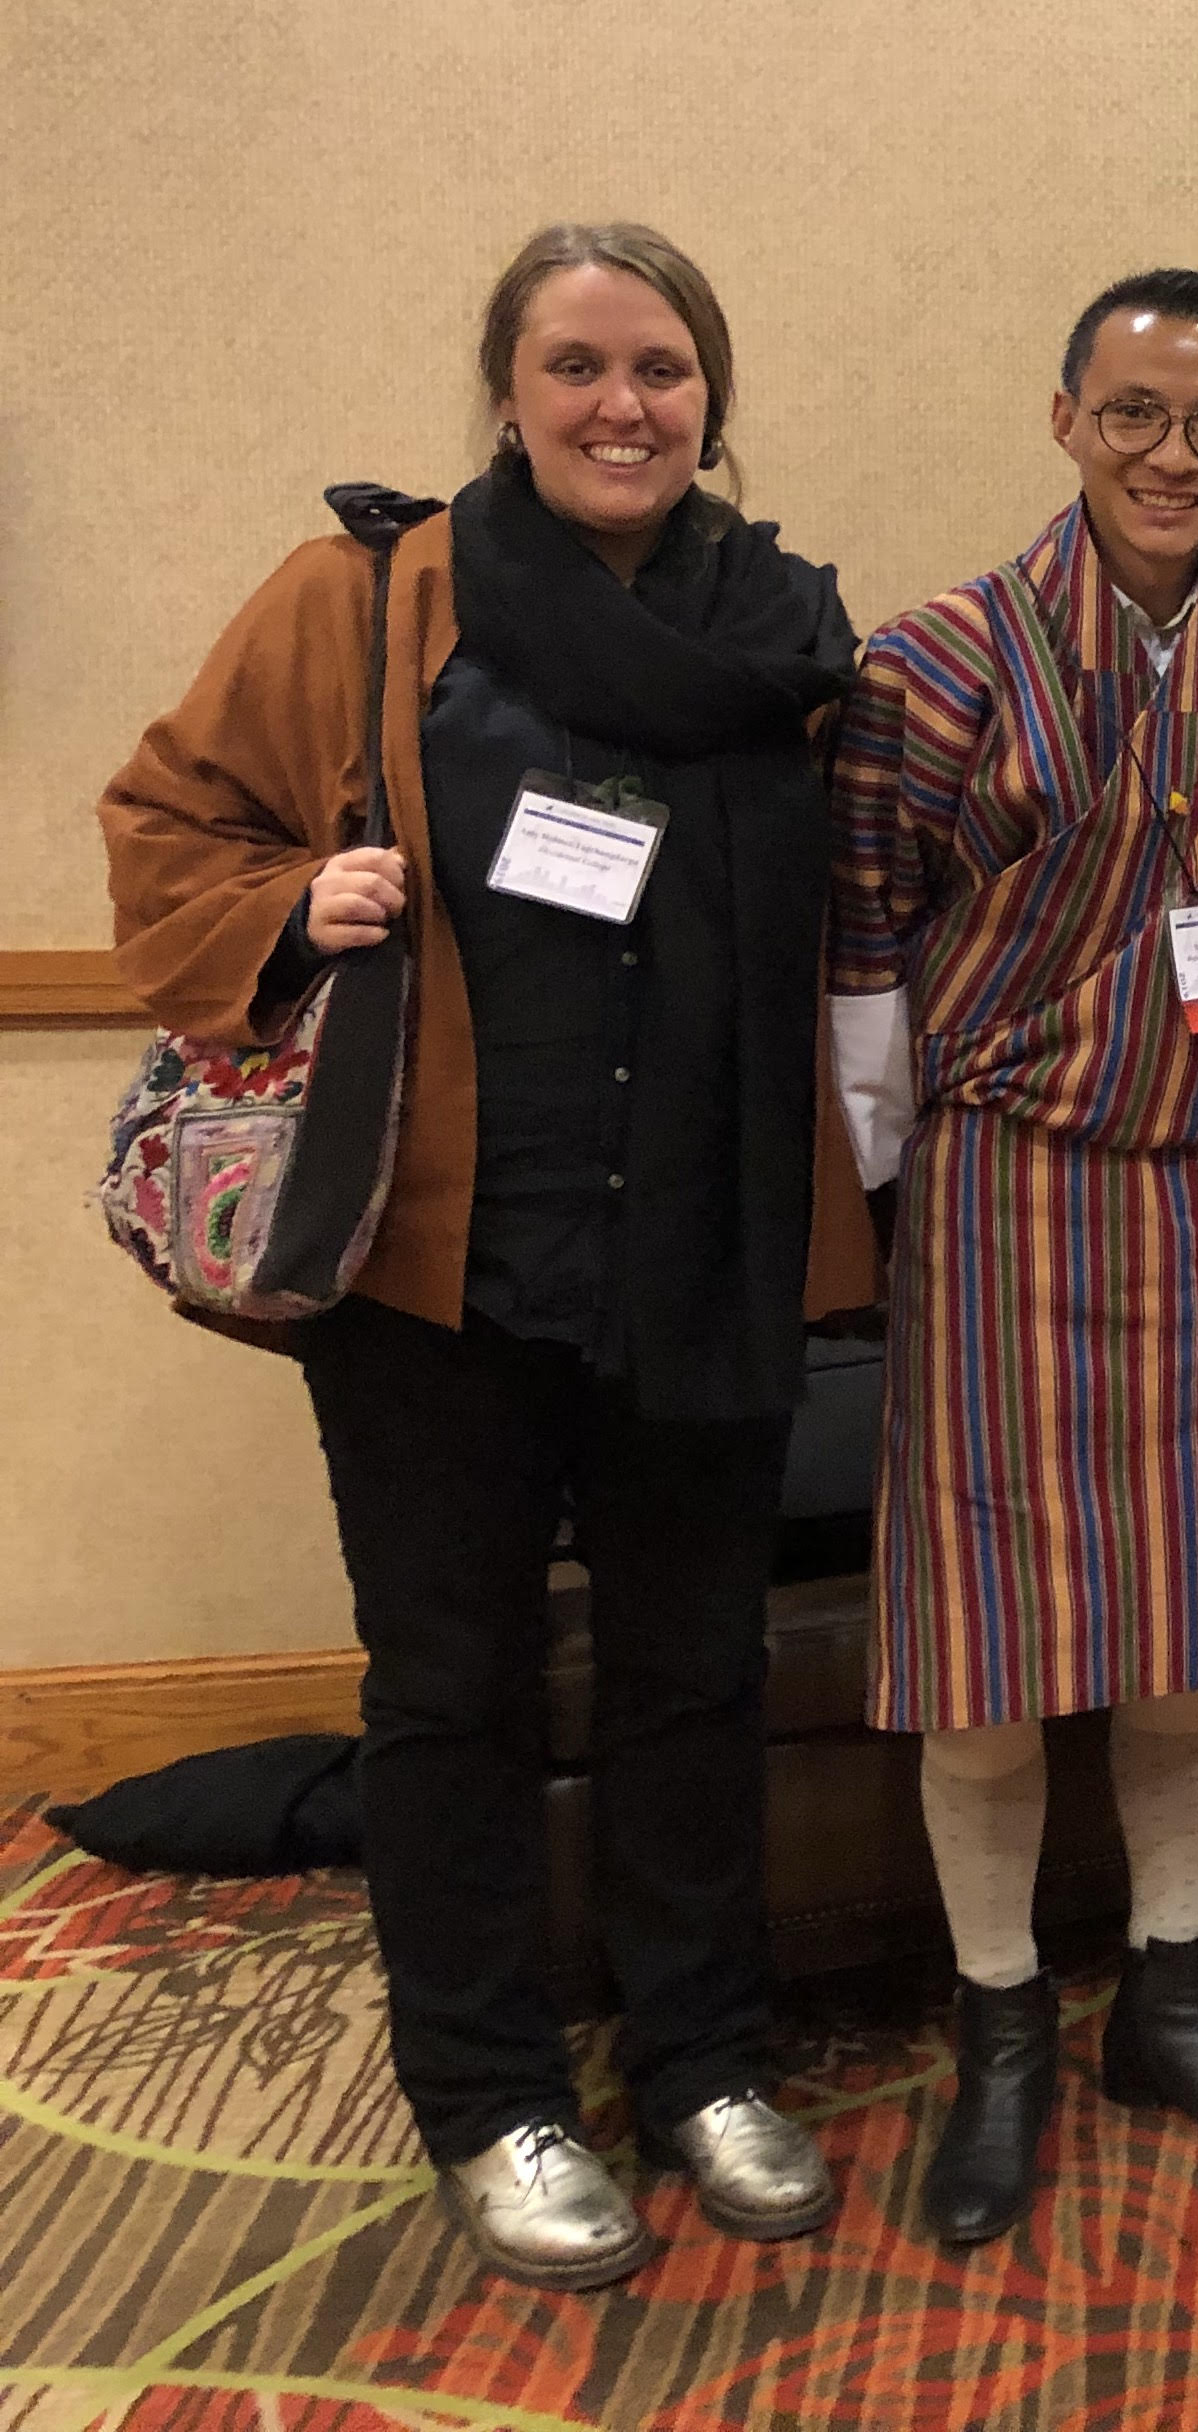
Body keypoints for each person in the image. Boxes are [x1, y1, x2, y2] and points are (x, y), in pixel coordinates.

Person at [103, 224, 865, 2288]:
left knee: (692, 1675)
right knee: (451, 1689)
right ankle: (489, 2094)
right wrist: (294, 906)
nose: (624, 405)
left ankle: (703, 2057)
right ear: (508, 395)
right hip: (445, 1263)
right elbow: (167, 821)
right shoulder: (367, 597)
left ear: (713, 396)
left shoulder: (784, 627)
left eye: (662, 369)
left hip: (703, 1244)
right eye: (577, 366)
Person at [827, 268, 1198, 2247]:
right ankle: (1003, 2026)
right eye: (1134, 412)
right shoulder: (935, 664)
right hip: (1001, 1197)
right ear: (1065, 421)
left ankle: (1169, 1994)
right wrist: (893, 1196)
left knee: (1194, 1646)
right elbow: (866, 946)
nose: (1171, 454)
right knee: (987, 1665)